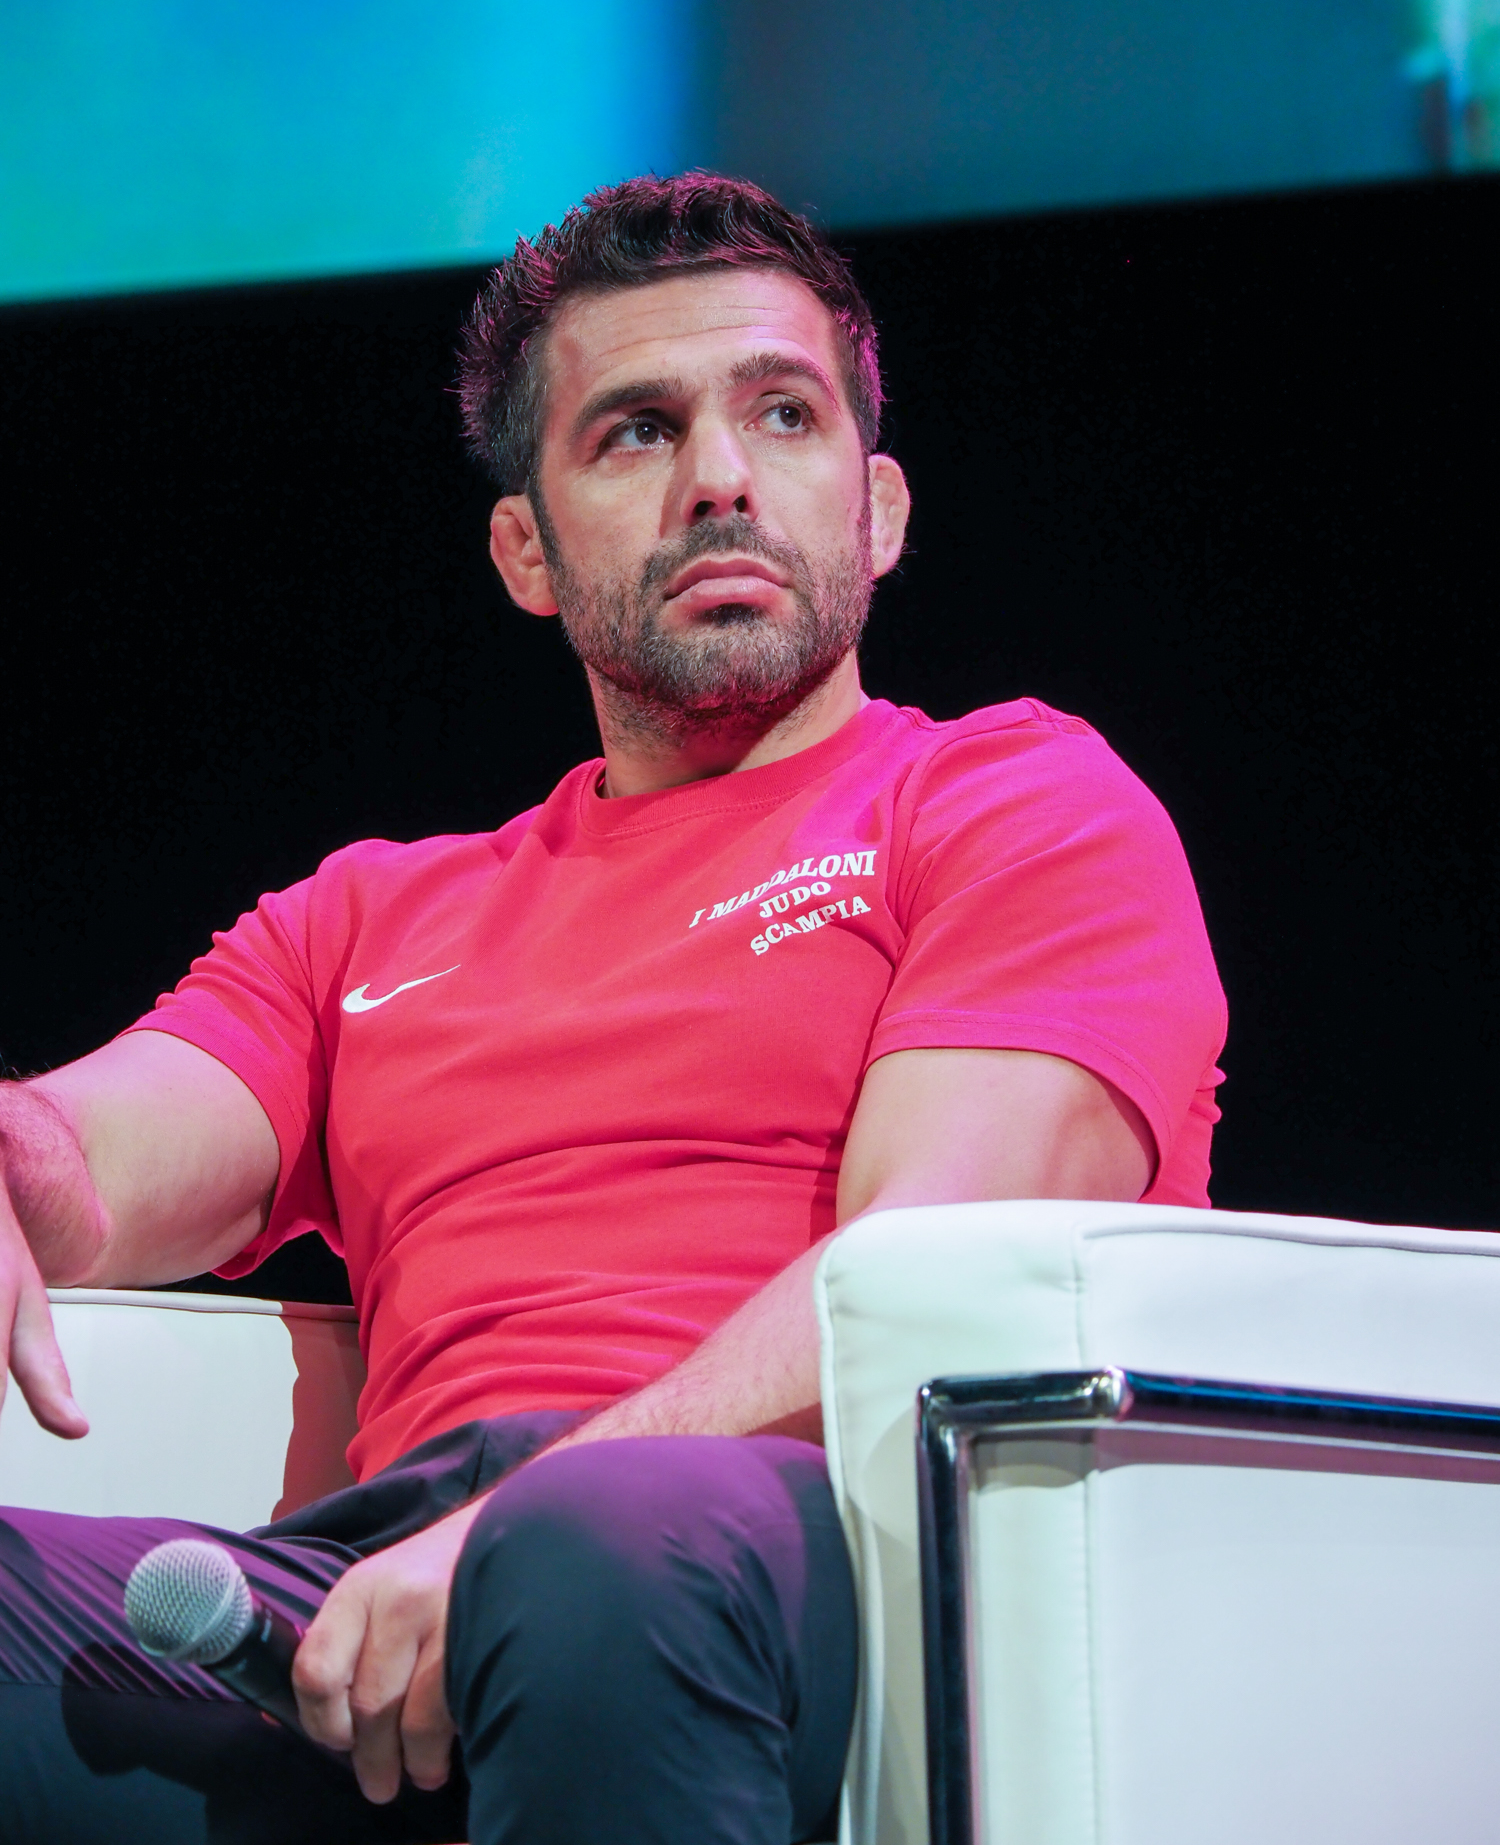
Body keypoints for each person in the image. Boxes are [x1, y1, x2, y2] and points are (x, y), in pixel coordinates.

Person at [0, 172, 1226, 1844]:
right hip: (385, 1594)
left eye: (782, 415)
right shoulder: (371, 916)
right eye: (637, 432)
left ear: (876, 510)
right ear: (528, 549)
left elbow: (935, 1278)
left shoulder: (1014, 802)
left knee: (596, 1556)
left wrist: (532, 1514)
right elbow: (89, 1161)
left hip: (810, 1549)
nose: (720, 477)